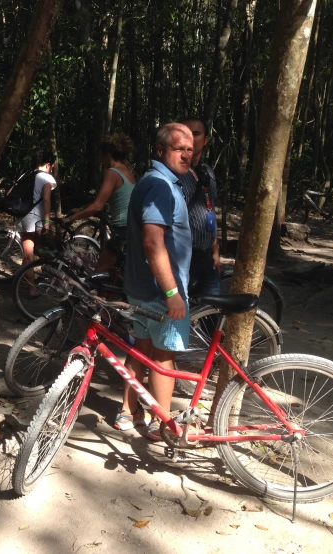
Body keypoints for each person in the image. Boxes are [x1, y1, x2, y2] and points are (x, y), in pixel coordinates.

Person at [114, 123, 193, 439]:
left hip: (141, 288)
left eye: (190, 149)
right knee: (163, 357)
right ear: (160, 151)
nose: (186, 154)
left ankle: (126, 412)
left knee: (141, 348)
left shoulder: (151, 181)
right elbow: (152, 241)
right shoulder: (160, 185)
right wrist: (172, 292)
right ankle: (162, 424)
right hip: (160, 293)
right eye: (179, 148)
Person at [62, 133, 136, 272]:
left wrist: (70, 219)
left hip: (122, 230)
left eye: (101, 155)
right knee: (113, 272)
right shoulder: (127, 171)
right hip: (130, 228)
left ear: (107, 154)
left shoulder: (112, 172)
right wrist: (81, 209)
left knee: (99, 275)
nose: (100, 160)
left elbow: (98, 206)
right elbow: (101, 199)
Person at [180, 118, 220, 295]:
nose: (190, 138)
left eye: (195, 134)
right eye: (185, 133)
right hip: (183, 257)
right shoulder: (175, 174)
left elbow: (210, 210)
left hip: (206, 256)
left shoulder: (208, 172)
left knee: (211, 314)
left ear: (206, 140)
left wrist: (215, 250)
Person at [16, 149, 57, 294]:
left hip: (22, 218)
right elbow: (46, 199)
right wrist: (47, 222)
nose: (51, 169)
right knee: (50, 252)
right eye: (51, 166)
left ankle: (29, 288)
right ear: (47, 164)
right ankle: (59, 283)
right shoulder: (46, 178)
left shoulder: (26, 175)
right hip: (36, 218)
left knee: (28, 255)